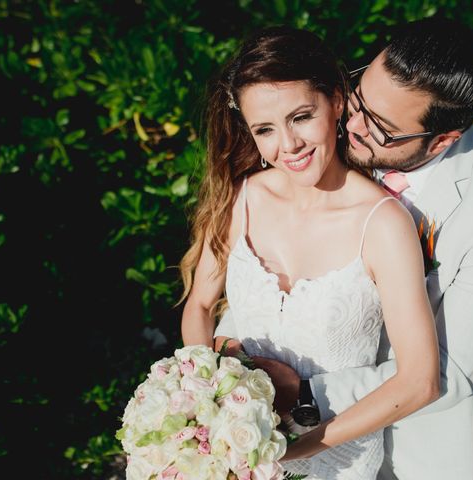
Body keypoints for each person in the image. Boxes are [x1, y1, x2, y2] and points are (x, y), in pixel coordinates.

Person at [225, 16, 473, 480]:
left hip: (418, 443)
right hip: (284, 411)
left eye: (382, 128)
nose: (352, 127)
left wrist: (301, 391)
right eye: (357, 100)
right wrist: (235, 351)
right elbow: (272, 253)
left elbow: (453, 370)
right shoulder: (336, 133)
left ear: (442, 140)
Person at [179, 26, 440, 479]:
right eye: (265, 129)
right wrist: (208, 403)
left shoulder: (383, 224)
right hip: (235, 453)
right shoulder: (241, 199)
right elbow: (200, 305)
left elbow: (421, 382)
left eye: (301, 116)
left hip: (337, 456)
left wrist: (292, 449)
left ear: (337, 102)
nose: (288, 145)